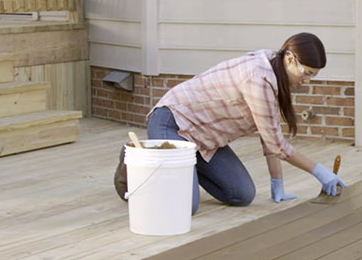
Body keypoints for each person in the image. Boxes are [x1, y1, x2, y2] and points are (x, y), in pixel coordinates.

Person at [113, 33, 347, 214]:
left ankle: (182, 171)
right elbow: (277, 146)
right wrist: (320, 172)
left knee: (241, 194)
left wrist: (278, 184)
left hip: (205, 139)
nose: (307, 80)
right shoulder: (258, 78)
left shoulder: (276, 71)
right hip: (174, 122)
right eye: (306, 72)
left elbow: (270, 134)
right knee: (186, 207)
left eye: (313, 75)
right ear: (289, 59)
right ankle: (136, 159)